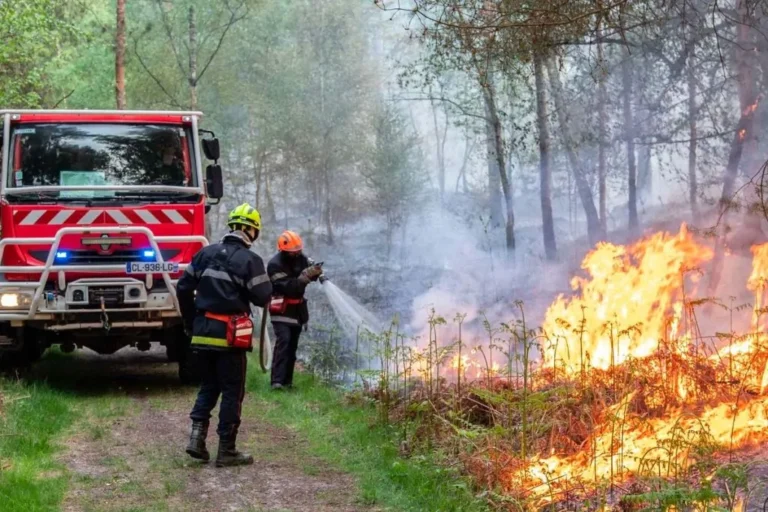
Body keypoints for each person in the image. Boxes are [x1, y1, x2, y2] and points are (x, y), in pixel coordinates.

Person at [177, 203, 272, 467]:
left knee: (208, 386)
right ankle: (226, 450)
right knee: (232, 392)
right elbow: (263, 296)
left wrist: (189, 321)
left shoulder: (204, 254)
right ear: (250, 231)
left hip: (202, 332)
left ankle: (196, 440)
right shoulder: (250, 260)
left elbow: (183, 287)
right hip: (229, 338)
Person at [267, 230, 323, 390]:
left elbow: (310, 267)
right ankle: (276, 382)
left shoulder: (301, 258)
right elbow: (290, 288)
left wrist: (317, 272)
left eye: (298, 251)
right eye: (293, 252)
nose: (297, 254)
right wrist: (305, 277)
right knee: (283, 342)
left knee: (292, 346)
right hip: (281, 309)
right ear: (283, 251)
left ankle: (287, 382)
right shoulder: (274, 265)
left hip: (297, 310)